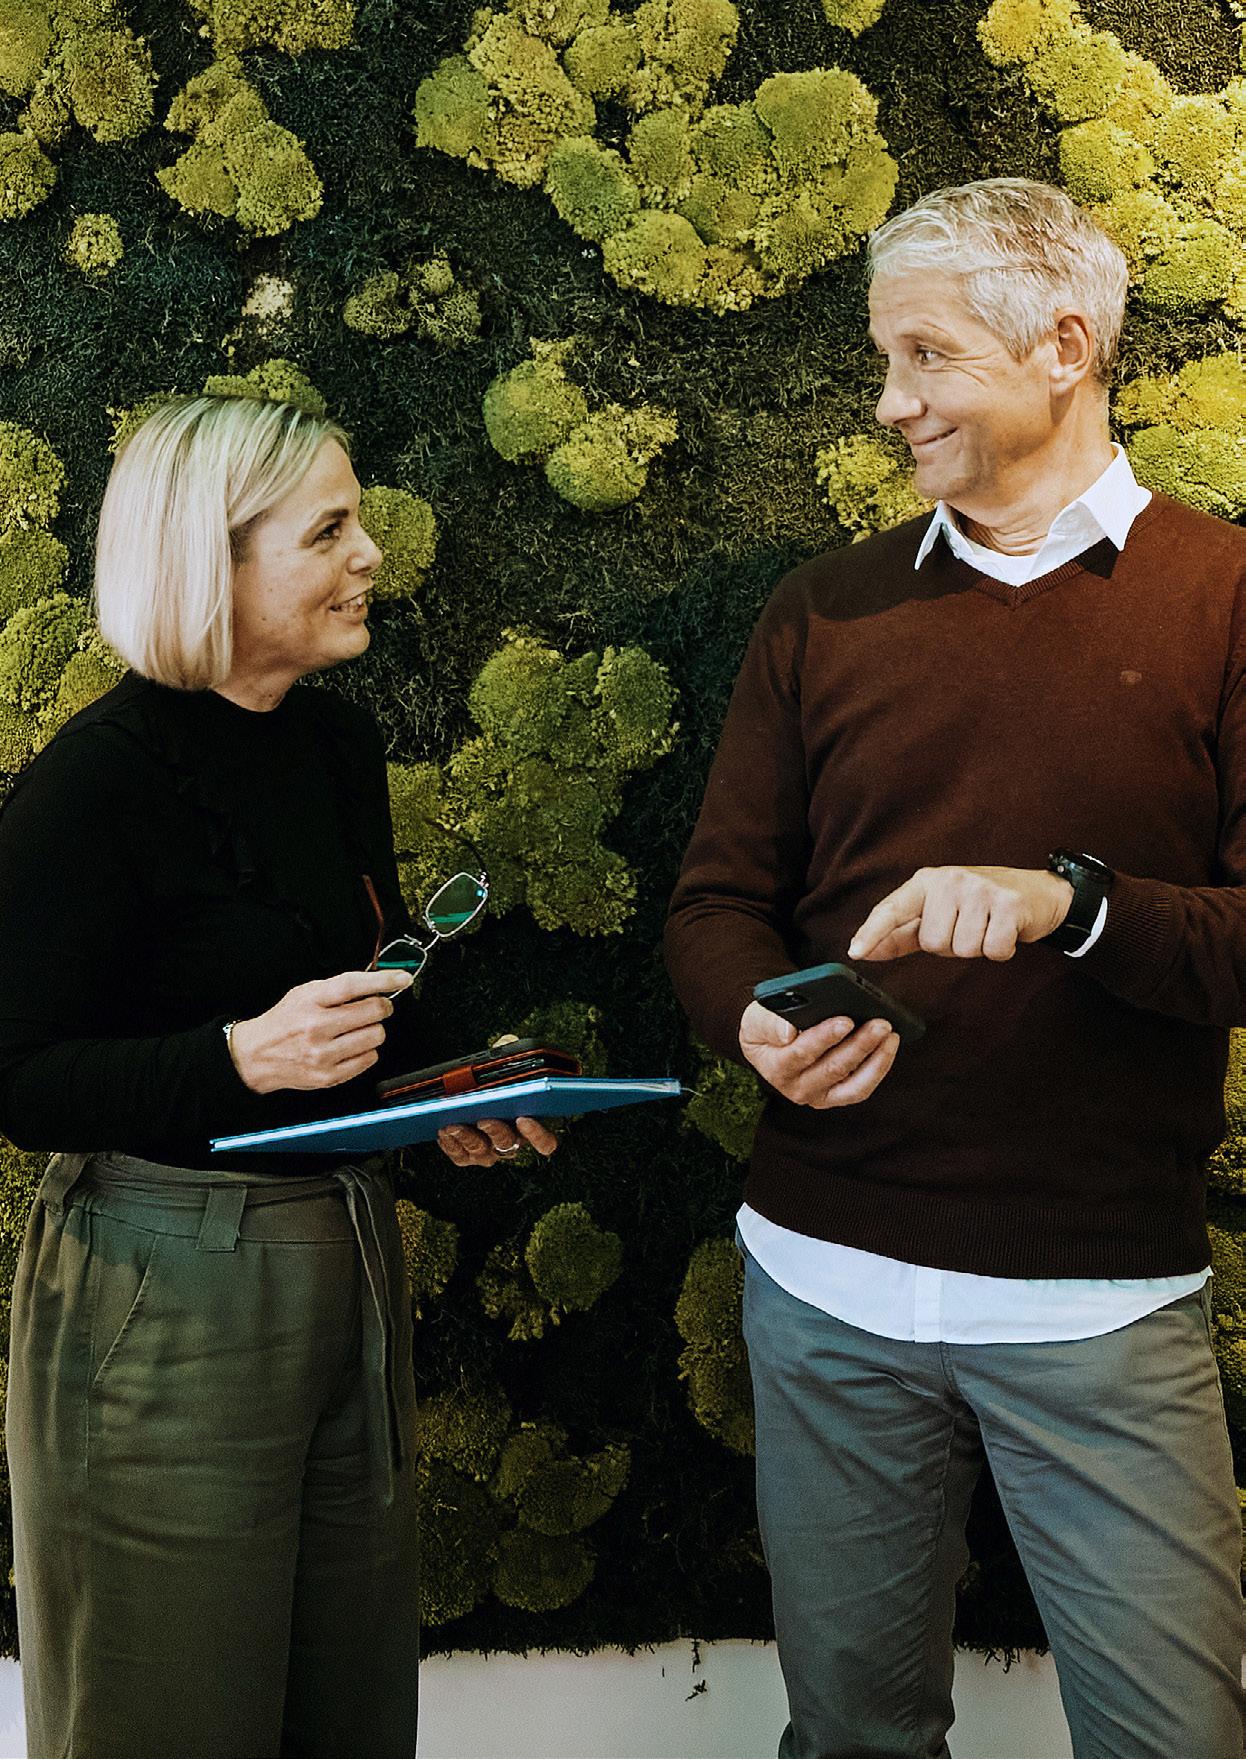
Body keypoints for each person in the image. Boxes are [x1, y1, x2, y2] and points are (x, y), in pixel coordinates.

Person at [665, 178, 1246, 1759]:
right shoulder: (821, 610)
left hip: (1098, 1304)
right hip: (820, 1286)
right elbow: (715, 906)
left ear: (1063, 346)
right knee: (850, 1741)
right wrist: (754, 1024)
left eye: (923, 356)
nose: (887, 401)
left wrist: (1070, 904)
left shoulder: (1224, 601)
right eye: (885, 358)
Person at [0, 392, 556, 1759]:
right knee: (164, 1717)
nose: (370, 554)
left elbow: (358, 985)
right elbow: (15, 1077)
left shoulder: (332, 746)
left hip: (346, 1254)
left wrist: (445, 1099)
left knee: (344, 1713)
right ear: (211, 561)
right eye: (327, 531)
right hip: (160, 1294)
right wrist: (236, 1057)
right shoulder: (95, 784)